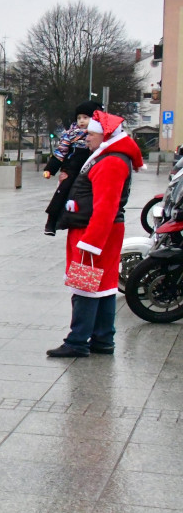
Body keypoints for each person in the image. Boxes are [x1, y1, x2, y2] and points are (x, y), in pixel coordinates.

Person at [48, 110, 144, 357]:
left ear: (105, 135)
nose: (85, 137)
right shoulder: (111, 157)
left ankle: (77, 341)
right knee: (103, 285)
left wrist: (91, 243)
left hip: (94, 234)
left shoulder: (110, 161)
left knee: (85, 286)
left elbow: (106, 207)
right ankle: (102, 339)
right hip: (100, 232)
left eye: (90, 133)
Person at [43, 101, 103, 235]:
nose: (81, 121)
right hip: (73, 168)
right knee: (63, 191)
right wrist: (50, 169)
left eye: (86, 118)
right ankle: (52, 221)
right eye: (79, 118)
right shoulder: (71, 133)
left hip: (92, 168)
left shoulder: (99, 133)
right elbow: (61, 151)